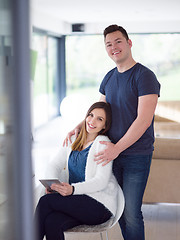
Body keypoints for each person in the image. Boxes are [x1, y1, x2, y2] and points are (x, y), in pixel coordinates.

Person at [63, 25, 161, 240]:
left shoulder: (144, 76)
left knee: (132, 213)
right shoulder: (109, 77)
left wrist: (117, 149)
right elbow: (99, 110)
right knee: (119, 209)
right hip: (110, 155)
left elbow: (143, 120)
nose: (114, 47)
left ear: (129, 43)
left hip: (136, 156)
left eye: (118, 41)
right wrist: (79, 126)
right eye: (109, 44)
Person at [34, 101, 120, 240]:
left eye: (100, 119)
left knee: (45, 201)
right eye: (90, 115)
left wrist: (72, 189)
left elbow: (101, 181)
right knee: (52, 222)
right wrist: (53, 185)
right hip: (76, 202)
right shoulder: (74, 138)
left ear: (105, 125)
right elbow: (54, 164)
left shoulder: (103, 144)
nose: (92, 121)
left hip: (99, 206)